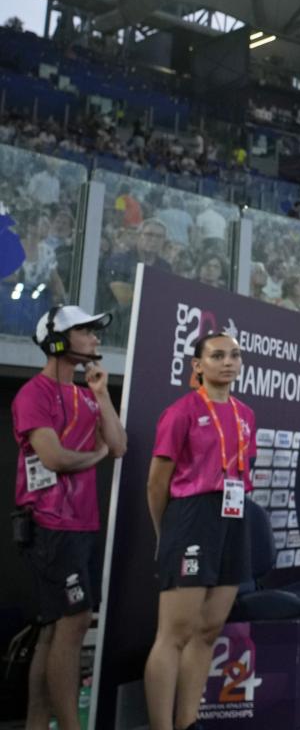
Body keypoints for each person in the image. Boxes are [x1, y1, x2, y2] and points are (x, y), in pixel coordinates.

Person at [13, 305, 123, 730]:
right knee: (73, 620)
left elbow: (118, 444)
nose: (96, 338)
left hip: (80, 524)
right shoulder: (33, 394)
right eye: (85, 331)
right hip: (49, 525)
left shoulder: (83, 393)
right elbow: (54, 457)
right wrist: (95, 454)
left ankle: (37, 725)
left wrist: (101, 394)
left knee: (52, 628)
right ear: (58, 342)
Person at [144, 331, 255, 730]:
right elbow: (157, 483)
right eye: (217, 355)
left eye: (235, 356)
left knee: (208, 629)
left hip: (233, 515)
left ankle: (187, 721)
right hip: (190, 515)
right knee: (174, 633)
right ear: (198, 365)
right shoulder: (182, 412)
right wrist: (166, 531)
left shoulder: (246, 415)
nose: (228, 362)